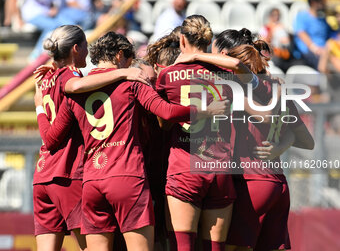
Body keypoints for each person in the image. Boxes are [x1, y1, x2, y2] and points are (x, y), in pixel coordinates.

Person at [34, 31, 228, 251]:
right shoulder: (131, 82)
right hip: (127, 176)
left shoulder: (76, 89)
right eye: (128, 59)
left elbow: (51, 138)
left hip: (91, 181)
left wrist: (40, 103)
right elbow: (166, 111)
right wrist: (203, 110)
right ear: (119, 57)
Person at [32, 24, 150, 251]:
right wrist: (124, 72)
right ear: (76, 48)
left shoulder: (46, 79)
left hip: (42, 175)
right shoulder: (71, 78)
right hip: (67, 174)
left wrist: (39, 106)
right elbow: (74, 86)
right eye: (86, 46)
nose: (89, 54)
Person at [155, 15, 263, 251]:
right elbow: (252, 80)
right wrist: (200, 57)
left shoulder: (167, 76)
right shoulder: (225, 73)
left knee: (184, 245)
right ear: (208, 40)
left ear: (182, 39)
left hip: (184, 166)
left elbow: (163, 123)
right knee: (215, 247)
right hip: (220, 168)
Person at [211, 28, 315, 251]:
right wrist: (280, 146)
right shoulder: (276, 87)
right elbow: (307, 141)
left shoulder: (236, 88)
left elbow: (264, 116)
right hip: (279, 185)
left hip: (251, 182)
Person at [293, 0, 333, 69]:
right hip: (309, 53)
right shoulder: (302, 16)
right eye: (321, 0)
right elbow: (301, 34)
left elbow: (331, 35)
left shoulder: (322, 19)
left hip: (325, 52)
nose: (324, 3)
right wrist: (315, 48)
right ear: (313, 2)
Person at [259, 8, 291, 72]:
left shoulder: (281, 27)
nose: (276, 17)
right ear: (270, 16)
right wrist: (272, 30)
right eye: (274, 15)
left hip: (282, 54)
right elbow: (263, 43)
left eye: (278, 15)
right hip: (271, 55)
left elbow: (286, 42)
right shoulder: (264, 28)